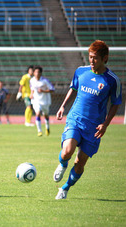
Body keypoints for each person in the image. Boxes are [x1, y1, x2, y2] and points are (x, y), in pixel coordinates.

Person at [53, 40, 122, 200]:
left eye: (95, 58)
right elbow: (73, 88)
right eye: (90, 57)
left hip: (94, 127)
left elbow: (116, 104)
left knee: (80, 162)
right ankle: (62, 164)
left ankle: (65, 188)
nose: (91, 61)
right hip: (75, 119)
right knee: (67, 151)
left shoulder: (112, 80)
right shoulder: (80, 71)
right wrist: (63, 106)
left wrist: (105, 125)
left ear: (105, 58)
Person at [30, 66, 54, 136]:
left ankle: (47, 127)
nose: (37, 73)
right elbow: (32, 88)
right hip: (36, 100)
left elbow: (52, 89)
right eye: (35, 72)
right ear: (33, 73)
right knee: (37, 113)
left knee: (45, 115)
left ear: (41, 73)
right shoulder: (32, 80)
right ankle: (39, 131)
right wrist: (31, 94)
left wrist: (43, 91)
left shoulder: (45, 81)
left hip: (45, 100)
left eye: (38, 72)